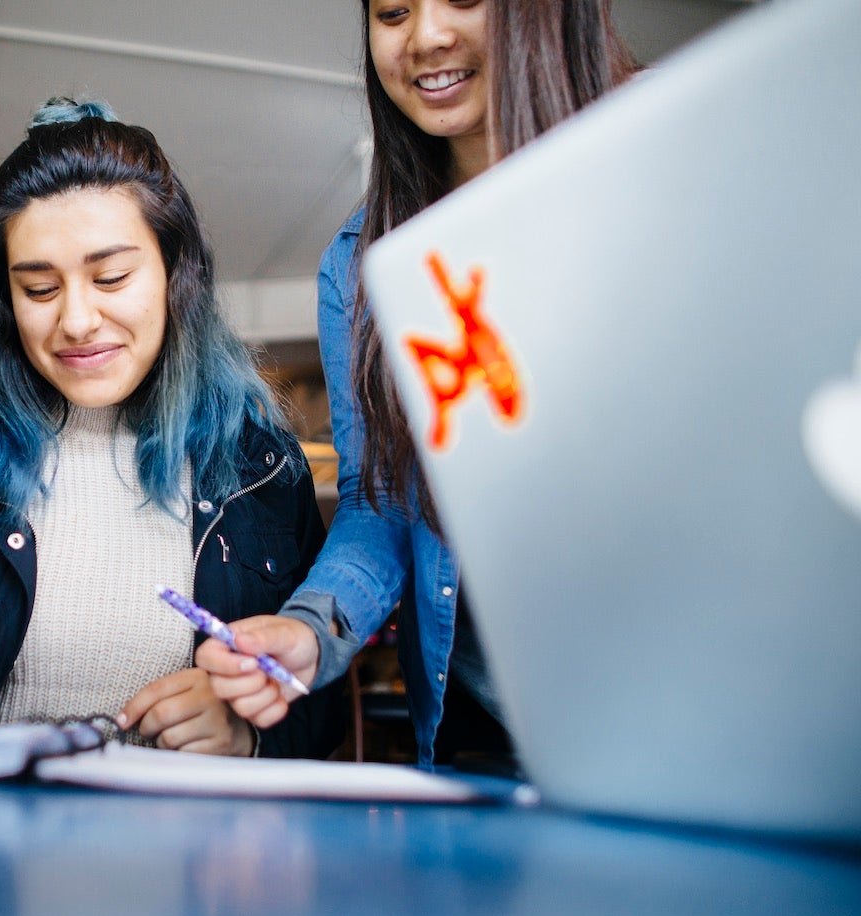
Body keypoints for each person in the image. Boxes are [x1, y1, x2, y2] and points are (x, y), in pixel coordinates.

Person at [0, 98, 344, 758]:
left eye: (110, 277)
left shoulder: (261, 468)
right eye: (39, 289)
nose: (77, 321)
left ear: (177, 275)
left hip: (185, 822)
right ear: (5, 300)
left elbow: (319, 700)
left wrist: (248, 730)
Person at [198, 0, 638, 768]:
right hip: (488, 732)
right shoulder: (362, 266)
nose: (426, 36)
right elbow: (380, 502)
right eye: (394, 11)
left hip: (686, 695)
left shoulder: (660, 162)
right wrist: (309, 630)